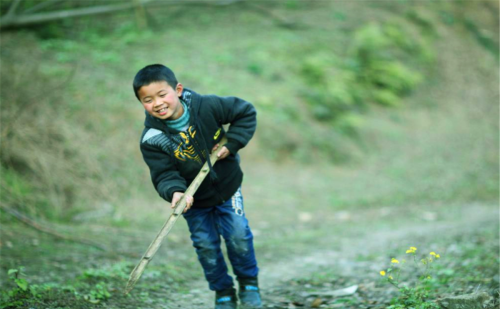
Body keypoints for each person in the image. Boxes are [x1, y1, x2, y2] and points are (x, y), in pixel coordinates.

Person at [133, 64, 261, 309]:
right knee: (205, 245)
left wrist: (232, 143)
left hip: (227, 187)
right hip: (193, 202)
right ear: (142, 103)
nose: (157, 103)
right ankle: (223, 291)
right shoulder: (152, 138)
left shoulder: (206, 106)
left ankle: (248, 283)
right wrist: (176, 192)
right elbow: (163, 173)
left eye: (162, 95)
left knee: (238, 235)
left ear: (178, 90)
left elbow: (245, 112)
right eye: (148, 100)